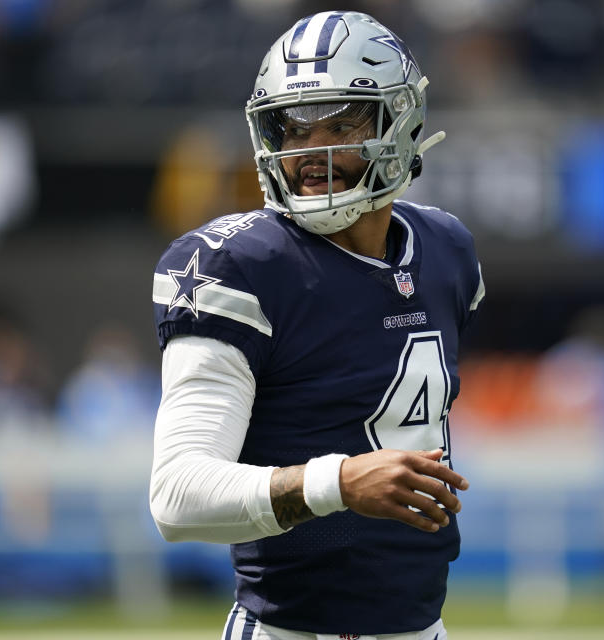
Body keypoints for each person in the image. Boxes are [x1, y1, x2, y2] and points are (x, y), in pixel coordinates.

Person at [149, 11, 484, 640]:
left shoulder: (446, 249)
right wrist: (338, 481)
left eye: (341, 123)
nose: (311, 151)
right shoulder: (238, 269)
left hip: (422, 625)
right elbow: (176, 494)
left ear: (399, 123)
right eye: (292, 128)